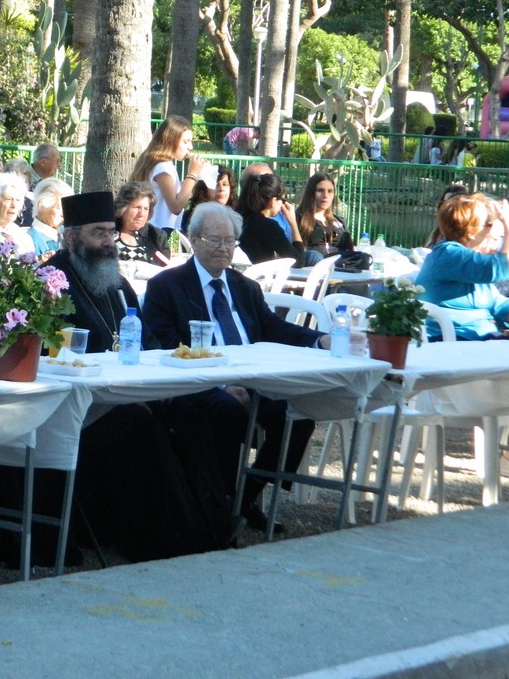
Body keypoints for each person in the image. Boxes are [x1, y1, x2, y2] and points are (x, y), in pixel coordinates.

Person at [45, 192, 238, 559]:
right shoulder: (50, 282)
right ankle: (161, 541)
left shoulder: (116, 283)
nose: (108, 242)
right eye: (97, 233)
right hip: (81, 406)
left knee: (190, 410)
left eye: (110, 232)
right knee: (141, 426)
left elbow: (148, 341)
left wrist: (160, 387)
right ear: (71, 237)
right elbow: (51, 355)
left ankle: (214, 521)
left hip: (129, 394)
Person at [143, 202, 329, 533]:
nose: (224, 248)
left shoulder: (245, 287)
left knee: (299, 417)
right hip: (200, 382)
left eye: (230, 241)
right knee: (227, 411)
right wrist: (220, 383)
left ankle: (244, 498)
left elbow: (272, 327)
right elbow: (164, 344)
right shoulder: (168, 286)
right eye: (215, 240)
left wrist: (320, 340)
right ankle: (220, 502)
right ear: (193, 239)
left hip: (253, 378)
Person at [416, 193, 509, 340]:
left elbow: (498, 304)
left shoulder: (468, 261)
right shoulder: (448, 254)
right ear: (471, 231)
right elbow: (499, 267)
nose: (493, 228)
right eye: (489, 223)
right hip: (453, 339)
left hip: (479, 339)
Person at [129, 115, 209, 234]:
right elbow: (176, 207)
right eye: (186, 142)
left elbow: (173, 190)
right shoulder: (163, 167)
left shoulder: (161, 163)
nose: (190, 147)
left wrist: (196, 176)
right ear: (171, 140)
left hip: (154, 229)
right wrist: (192, 174)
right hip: (156, 230)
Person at [237, 171, 306, 266]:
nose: (283, 204)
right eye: (283, 200)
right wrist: (293, 223)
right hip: (258, 274)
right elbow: (298, 262)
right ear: (273, 201)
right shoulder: (269, 227)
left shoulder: (239, 217)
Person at [295, 173, 353, 261]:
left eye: (330, 191)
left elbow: (351, 249)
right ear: (311, 193)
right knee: (315, 256)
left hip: (340, 265)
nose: (325, 195)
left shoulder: (339, 221)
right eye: (320, 190)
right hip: (314, 265)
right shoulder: (298, 218)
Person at [114, 181, 171, 266]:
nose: (141, 214)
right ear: (123, 208)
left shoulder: (157, 237)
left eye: (146, 209)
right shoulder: (108, 232)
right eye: (137, 207)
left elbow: (165, 268)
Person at [240, 162, 293, 242]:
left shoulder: (282, 213)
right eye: (269, 180)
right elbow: (296, 250)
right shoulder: (267, 225)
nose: (274, 184)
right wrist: (293, 223)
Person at [181, 164, 237, 234]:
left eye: (225, 184)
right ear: (203, 190)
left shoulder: (237, 215)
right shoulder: (188, 218)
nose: (221, 189)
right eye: (216, 185)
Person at [27, 177, 73, 260]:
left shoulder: (68, 233)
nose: (63, 213)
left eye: (66, 208)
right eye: (58, 207)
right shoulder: (30, 239)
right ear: (41, 206)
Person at [425, 183, 470, 248]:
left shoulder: (469, 235)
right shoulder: (437, 232)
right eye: (444, 202)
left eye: (451, 202)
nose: (445, 207)